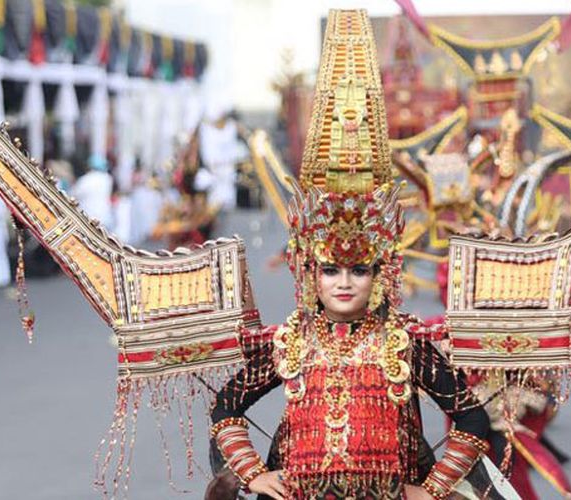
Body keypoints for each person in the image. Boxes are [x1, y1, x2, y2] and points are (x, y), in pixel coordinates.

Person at [208, 10, 497, 500]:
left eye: (358, 269)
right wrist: (254, 473)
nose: (344, 281)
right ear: (311, 274)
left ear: (379, 274)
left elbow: (471, 419)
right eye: (331, 269)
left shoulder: (404, 342)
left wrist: (433, 488)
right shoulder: (291, 342)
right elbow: (227, 406)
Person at [71, 153, 113, 228]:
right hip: (104, 217)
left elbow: (72, 194)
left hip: (88, 217)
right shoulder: (107, 179)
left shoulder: (86, 179)